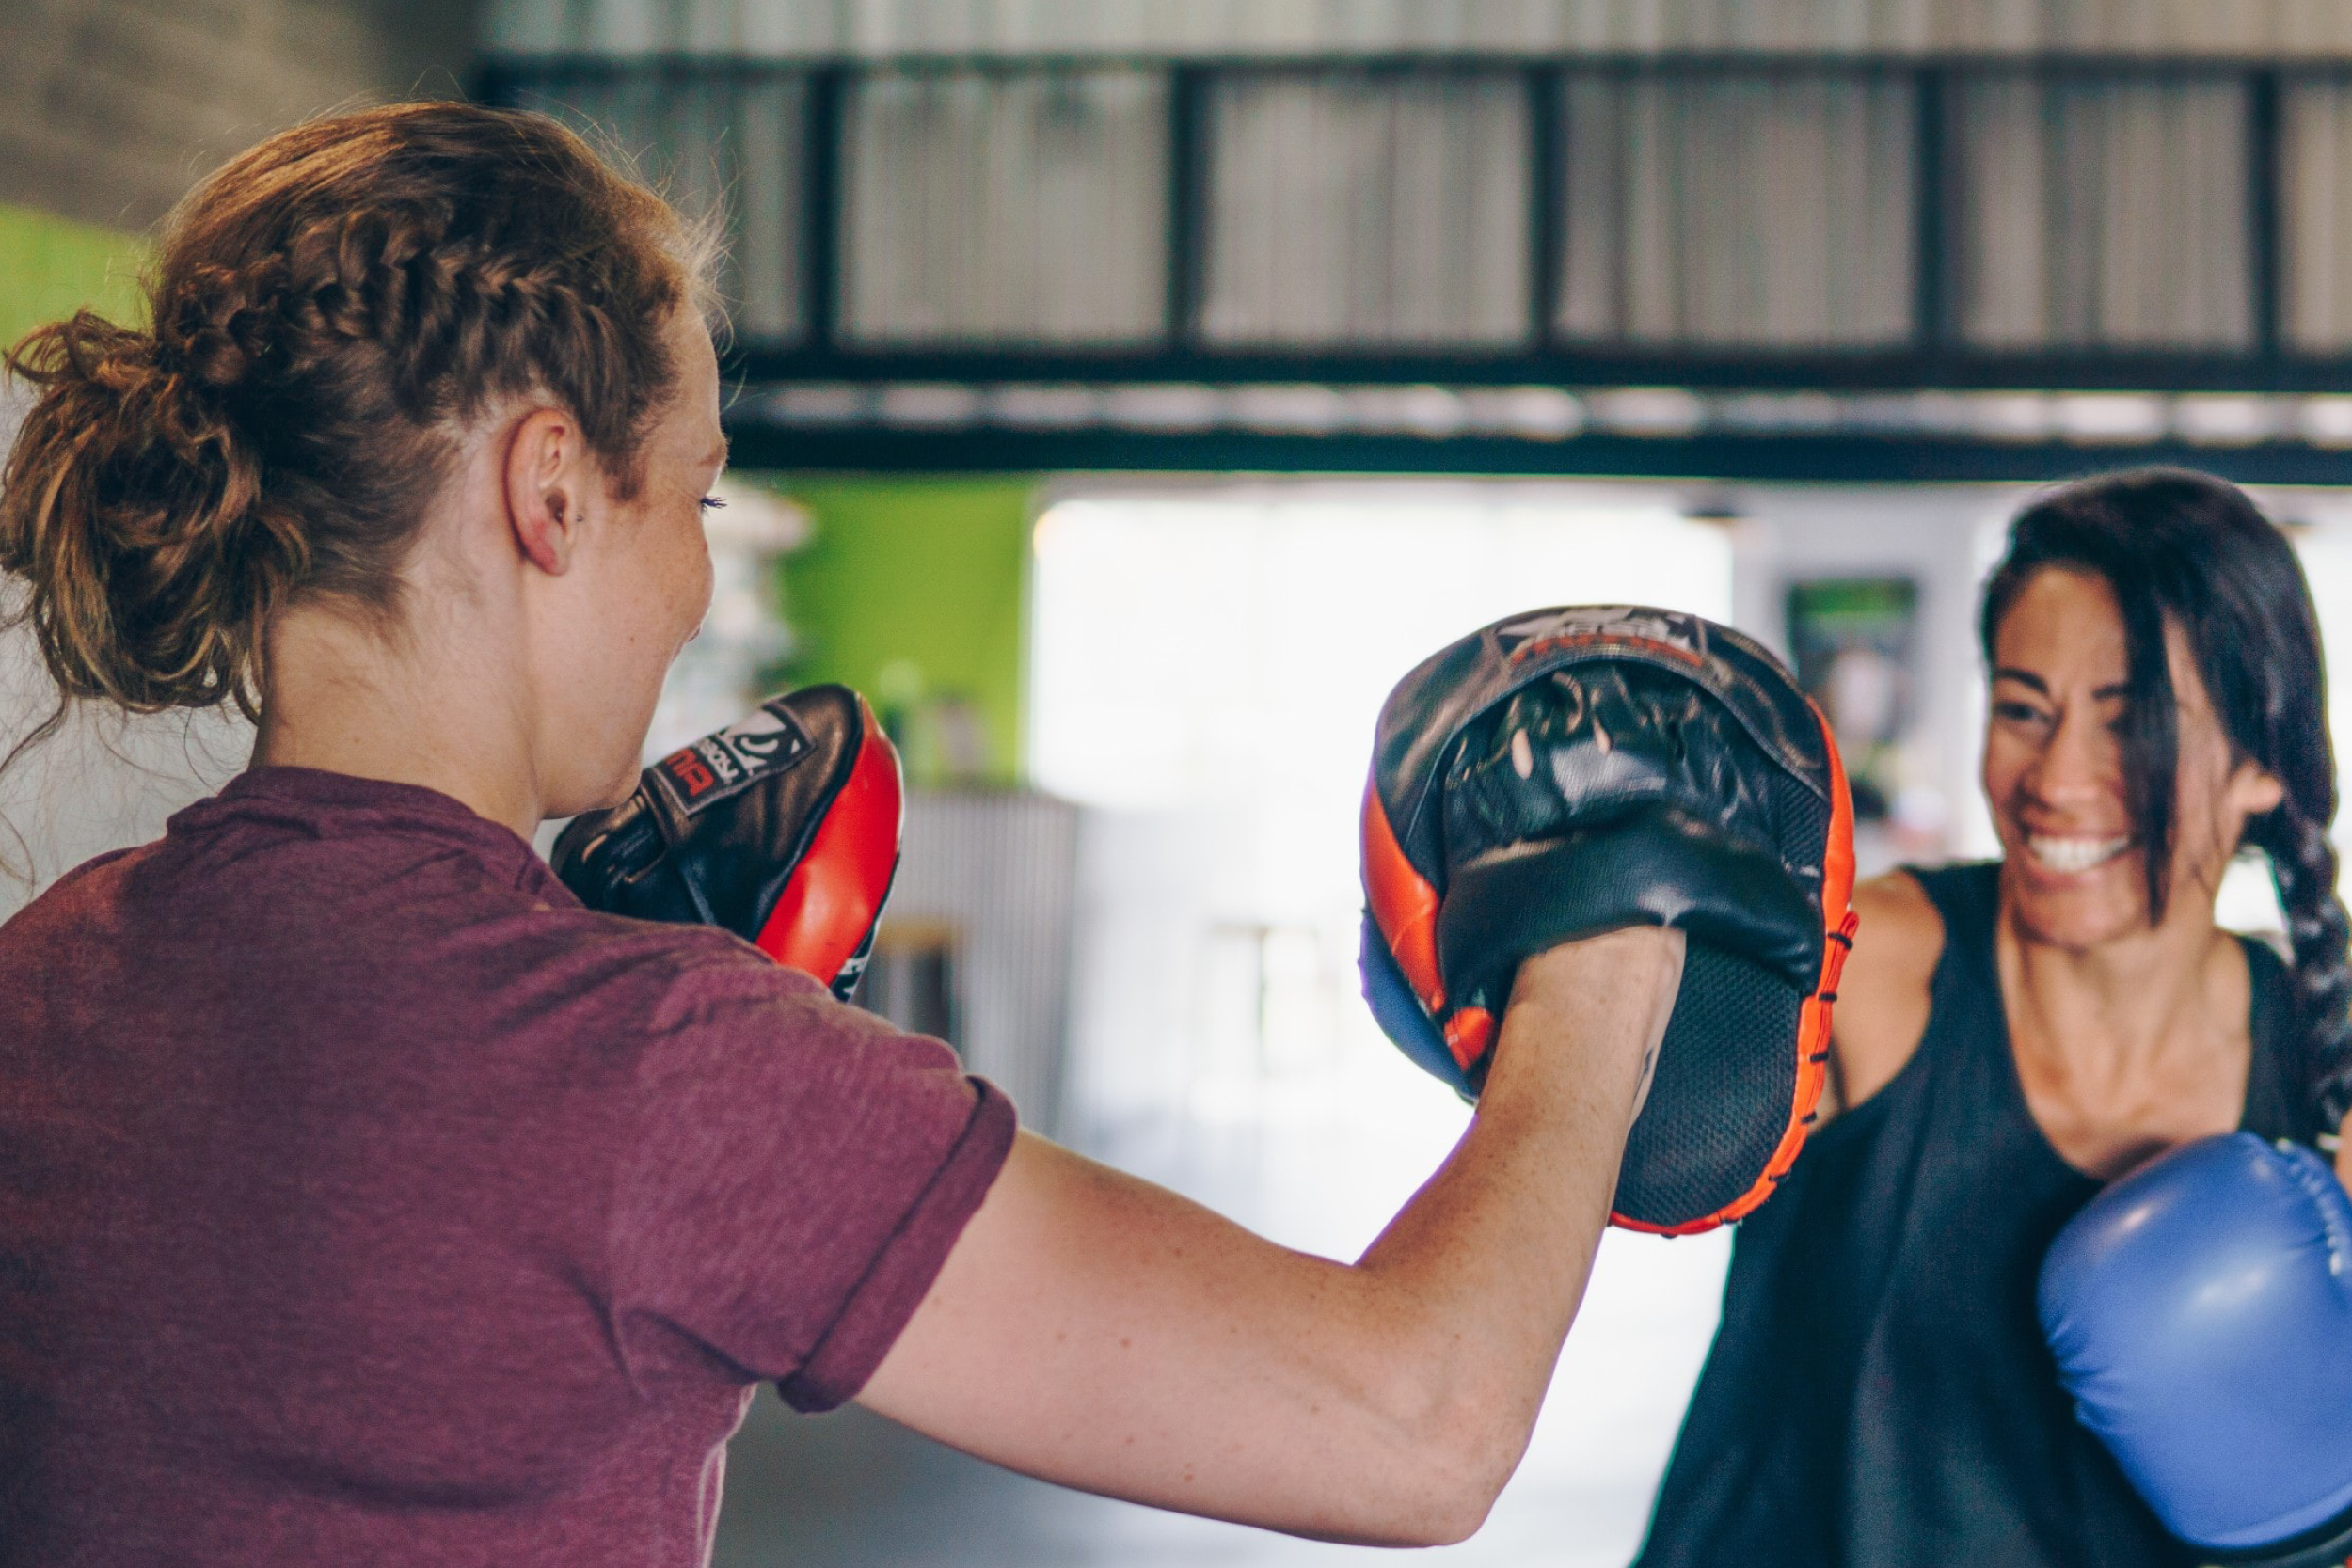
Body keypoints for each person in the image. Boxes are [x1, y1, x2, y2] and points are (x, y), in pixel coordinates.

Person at [0, 103, 1725, 1567]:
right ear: (547, 493)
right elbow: (1410, 1425)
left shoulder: (51, 966)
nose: (691, 575)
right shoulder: (659, 1063)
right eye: (697, 494)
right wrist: (1607, 940)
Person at [1632, 467, 2352, 1568]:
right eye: (2023, 708)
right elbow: (1623, 1121)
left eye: (2132, 721)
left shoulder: (2322, 1072)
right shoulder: (1866, 969)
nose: (2055, 778)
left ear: (2260, 760)